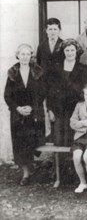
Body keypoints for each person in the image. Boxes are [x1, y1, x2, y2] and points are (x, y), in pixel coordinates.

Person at [4, 43, 47, 186]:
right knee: (20, 144)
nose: (25, 57)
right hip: (18, 116)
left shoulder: (37, 71)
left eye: (28, 54)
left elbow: (42, 93)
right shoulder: (12, 72)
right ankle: (26, 173)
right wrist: (17, 108)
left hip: (34, 114)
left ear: (31, 56)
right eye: (22, 54)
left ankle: (32, 167)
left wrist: (32, 108)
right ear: (18, 55)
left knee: (32, 142)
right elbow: (7, 95)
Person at [47, 39, 87, 147]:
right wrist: (50, 109)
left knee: (75, 138)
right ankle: (59, 163)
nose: (70, 53)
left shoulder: (82, 68)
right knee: (59, 139)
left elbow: (86, 90)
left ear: (76, 51)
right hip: (59, 109)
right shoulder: (55, 68)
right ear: (63, 52)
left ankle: (73, 163)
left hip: (75, 109)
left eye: (72, 50)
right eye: (67, 50)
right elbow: (50, 90)